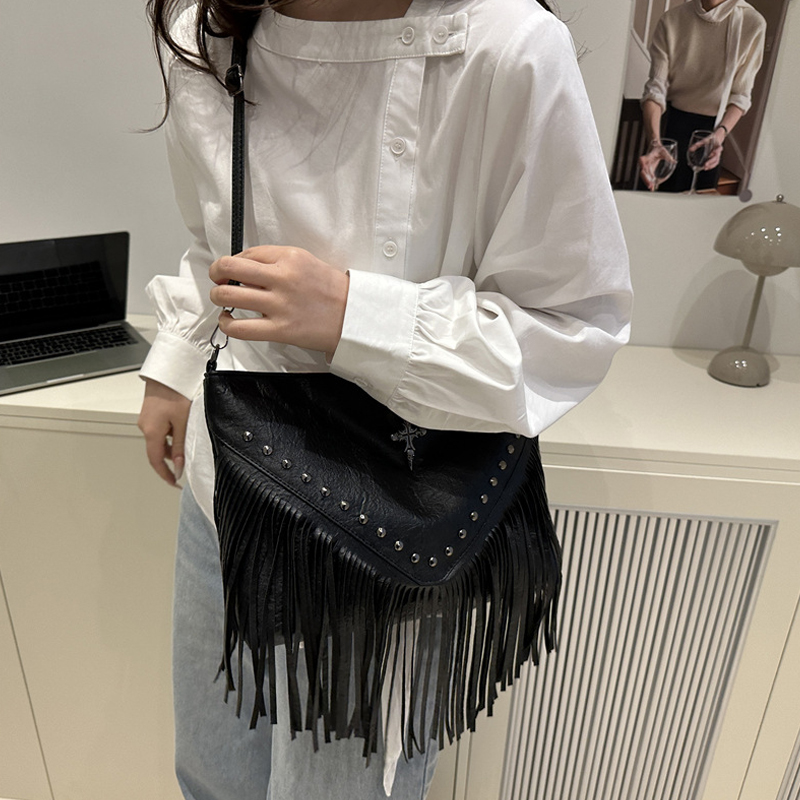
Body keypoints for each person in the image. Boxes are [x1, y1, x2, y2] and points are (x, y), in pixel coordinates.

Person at [136, 0, 632, 798]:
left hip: (390, 509)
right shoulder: (207, 33)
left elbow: (571, 325)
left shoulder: (508, 50)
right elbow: (215, 237)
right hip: (224, 479)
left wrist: (352, 314)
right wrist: (178, 357)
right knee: (212, 771)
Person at [638, 0, 766, 192]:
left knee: (700, 203)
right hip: (668, 127)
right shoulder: (671, 20)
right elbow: (655, 90)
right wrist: (655, 142)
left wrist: (719, 135)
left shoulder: (753, 23)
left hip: (713, 133)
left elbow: (741, 95)